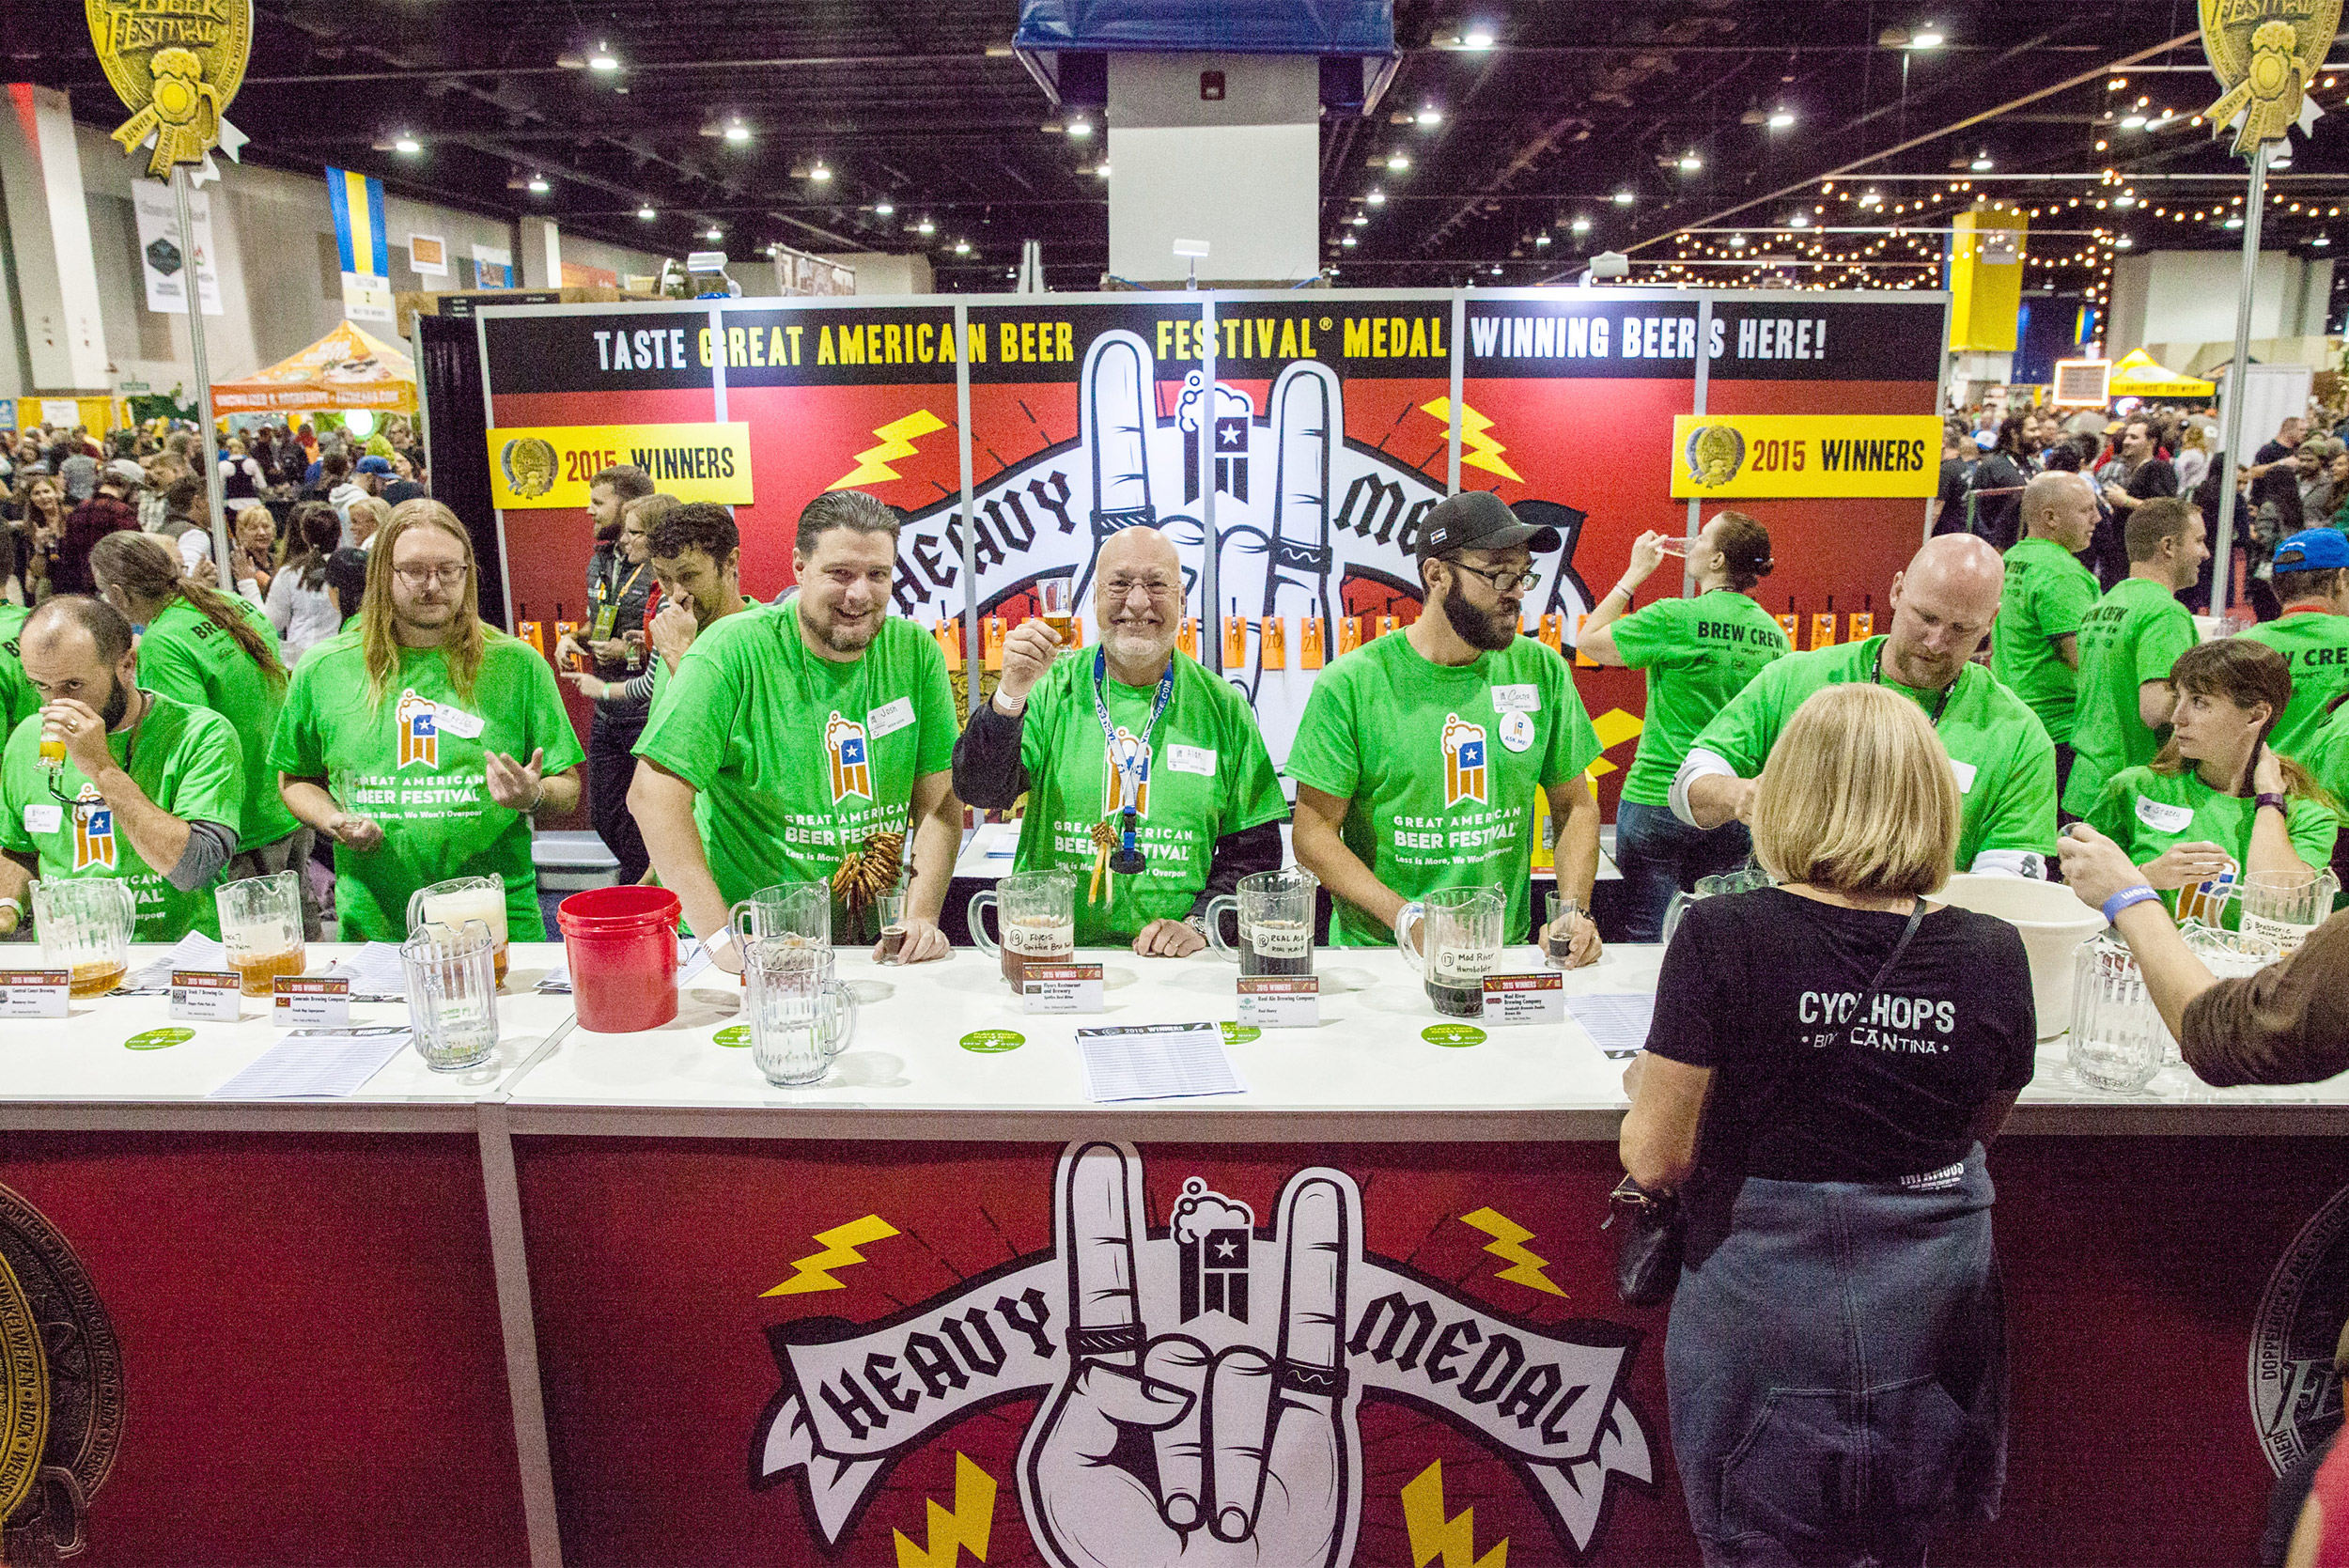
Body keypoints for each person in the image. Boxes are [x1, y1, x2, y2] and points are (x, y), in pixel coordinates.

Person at [1622, 682, 2032, 1568]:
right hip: (1933, 1324)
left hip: (1764, 1323)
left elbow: (1655, 1157)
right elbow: (1977, 1126)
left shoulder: (1721, 936)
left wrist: (1644, 1083)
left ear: (1789, 794)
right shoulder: (1996, 951)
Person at [631, 490, 962, 969]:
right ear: (799, 567)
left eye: (878, 574)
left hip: (871, 947)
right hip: (761, 950)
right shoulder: (731, 650)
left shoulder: (915, 653)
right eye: (840, 574)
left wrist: (920, 917)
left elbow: (940, 799)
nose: (860, 594)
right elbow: (653, 795)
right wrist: (722, 942)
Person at [1288, 490, 1603, 958]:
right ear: (1437, 575)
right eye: (1497, 574)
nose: (1516, 593)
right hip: (1381, 959)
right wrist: (1408, 919)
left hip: (1499, 953)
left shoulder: (1543, 671)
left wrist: (1572, 911)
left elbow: (1575, 806)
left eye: (1522, 576)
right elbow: (1312, 834)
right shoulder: (1351, 683)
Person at [952, 527, 1287, 955]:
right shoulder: (1050, 688)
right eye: (1120, 583)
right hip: (1052, 951)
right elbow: (981, 790)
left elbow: (1255, 852)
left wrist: (1202, 923)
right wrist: (1011, 690)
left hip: (1174, 968)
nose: (1137, 602)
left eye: (1156, 584)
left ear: (1182, 600)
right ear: (1094, 597)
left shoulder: (1222, 706)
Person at [270, 499, 584, 942]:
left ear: (467, 572)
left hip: (496, 927)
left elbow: (567, 788)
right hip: (376, 928)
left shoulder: (517, 664)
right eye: (414, 571)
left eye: (448, 570)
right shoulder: (324, 667)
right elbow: (295, 779)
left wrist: (533, 796)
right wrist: (333, 821)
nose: (433, 585)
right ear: (383, 573)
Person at [1677, 533, 2060, 877]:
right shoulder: (1796, 678)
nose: (1936, 642)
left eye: (1962, 629)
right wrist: (1740, 796)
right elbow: (1688, 783)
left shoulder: (2018, 735)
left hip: (1922, 944)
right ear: (1896, 591)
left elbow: (2007, 883)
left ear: (1991, 620)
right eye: (1926, 617)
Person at [88, 530, 317, 931]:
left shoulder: (162, 642)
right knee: (302, 946)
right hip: (285, 800)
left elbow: (189, 739)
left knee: (258, 957)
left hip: (240, 824)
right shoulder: (227, 603)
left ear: (119, 595)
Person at [1576, 513, 1788, 941]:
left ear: (1717, 561)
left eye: (1703, 537)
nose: (1691, 542)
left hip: (1657, 799)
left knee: (1649, 937)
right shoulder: (1774, 636)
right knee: (1718, 941)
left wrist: (1635, 573)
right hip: (1732, 807)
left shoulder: (1676, 618)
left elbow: (1588, 640)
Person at [0, 596, 244, 940]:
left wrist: (101, 767)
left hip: (175, 959)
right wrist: (7, 906)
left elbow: (194, 869)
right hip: (74, 960)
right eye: (41, 685)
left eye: (73, 685)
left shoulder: (200, 734)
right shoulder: (27, 738)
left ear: (127, 665)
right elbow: (19, 848)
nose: (57, 705)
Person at [2083, 638, 2338, 924]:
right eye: (2178, 698)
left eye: (2199, 702)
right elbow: (2074, 892)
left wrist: (2268, 800)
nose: (2177, 717)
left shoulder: (2309, 816)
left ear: (2255, 715)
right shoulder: (2133, 788)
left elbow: (2278, 904)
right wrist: (2144, 877)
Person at [2062, 497, 2209, 818]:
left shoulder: (2103, 605)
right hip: (2130, 796)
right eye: (2199, 541)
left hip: (2084, 786)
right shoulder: (2165, 613)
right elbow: (2155, 710)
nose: (2205, 553)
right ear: (2168, 546)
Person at [555, 491, 670, 886]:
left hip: (641, 714)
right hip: (612, 710)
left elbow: (655, 682)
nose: (589, 509)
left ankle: (649, 896)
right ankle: (643, 888)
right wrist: (576, 637)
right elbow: (600, 620)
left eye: (634, 531)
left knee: (650, 813)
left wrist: (601, 687)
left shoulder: (671, 596)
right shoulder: (606, 561)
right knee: (606, 815)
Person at [1994, 471, 2102, 794]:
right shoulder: (2061, 573)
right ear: (2051, 517)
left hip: (2013, 717)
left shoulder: (2011, 559)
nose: (2096, 519)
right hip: (2059, 731)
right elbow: (2083, 658)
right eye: (2086, 510)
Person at [2241, 528, 2349, 757]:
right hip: (2333, 790)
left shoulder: (2237, 648)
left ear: (2275, 587)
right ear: (2341, 580)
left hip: (2255, 789)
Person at [267, 502, 348, 664]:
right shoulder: (351, 570)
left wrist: (247, 584)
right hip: (339, 657)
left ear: (304, 535)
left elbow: (271, 624)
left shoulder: (289, 573)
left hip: (300, 661)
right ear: (340, 532)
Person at [53, 467, 141, 598]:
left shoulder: (79, 509)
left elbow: (69, 551)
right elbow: (135, 548)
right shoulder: (122, 511)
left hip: (84, 583)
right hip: (115, 584)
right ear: (124, 488)